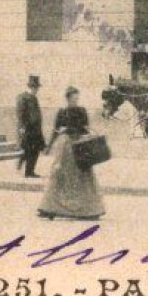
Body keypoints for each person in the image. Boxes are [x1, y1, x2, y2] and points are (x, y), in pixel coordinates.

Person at [38, 86, 104, 220]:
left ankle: (88, 211)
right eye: (73, 99)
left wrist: (90, 134)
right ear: (67, 99)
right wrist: (49, 147)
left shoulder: (82, 111)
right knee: (59, 175)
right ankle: (50, 208)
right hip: (67, 148)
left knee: (83, 177)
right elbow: (55, 130)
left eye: (77, 99)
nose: (76, 101)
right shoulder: (62, 112)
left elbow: (86, 128)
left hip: (79, 146)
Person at [16, 75, 47, 179]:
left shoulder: (34, 98)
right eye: (34, 87)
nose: (36, 89)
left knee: (36, 150)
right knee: (29, 150)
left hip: (36, 129)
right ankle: (27, 170)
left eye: (37, 87)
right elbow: (20, 114)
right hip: (27, 129)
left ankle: (30, 170)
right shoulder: (23, 98)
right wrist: (22, 128)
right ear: (29, 87)